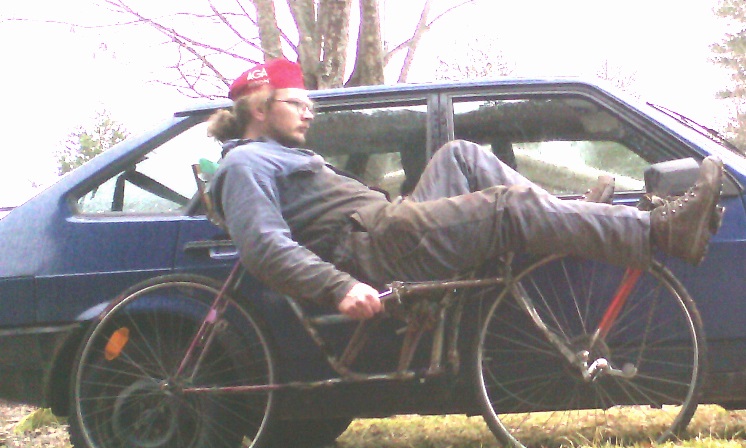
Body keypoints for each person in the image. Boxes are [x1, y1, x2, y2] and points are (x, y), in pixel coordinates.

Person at [208, 58, 724, 321]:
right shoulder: (246, 163)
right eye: (296, 103)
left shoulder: (278, 155)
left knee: (460, 154)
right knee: (505, 206)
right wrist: (338, 287)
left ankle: (560, 215)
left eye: (309, 104)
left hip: (389, 227)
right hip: (376, 247)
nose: (308, 112)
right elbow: (263, 245)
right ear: (260, 109)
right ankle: (659, 230)